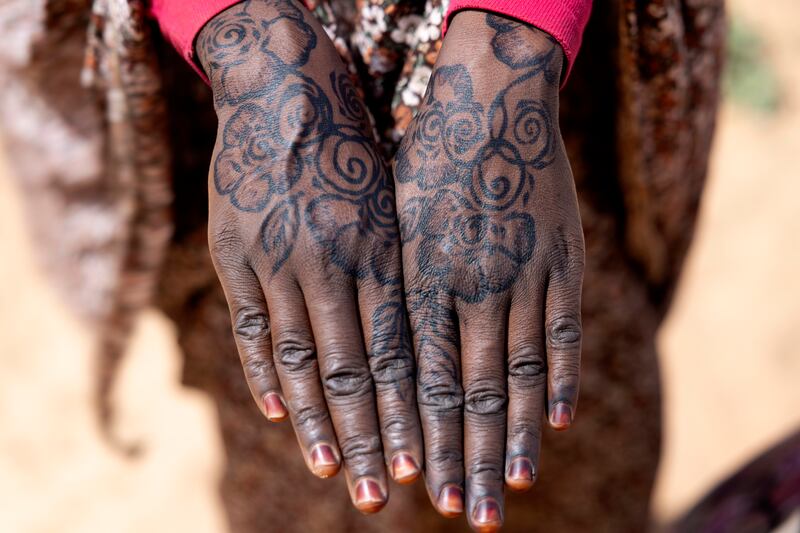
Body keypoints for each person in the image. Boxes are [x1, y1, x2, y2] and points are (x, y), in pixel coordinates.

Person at [0, 0, 724, 531]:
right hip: (234, 112)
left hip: (551, 92)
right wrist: (245, 44)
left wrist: (516, 38)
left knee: (541, 417)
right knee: (311, 433)